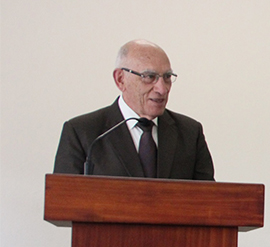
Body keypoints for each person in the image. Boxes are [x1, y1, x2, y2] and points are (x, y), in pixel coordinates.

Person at [53, 40, 214, 180]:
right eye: (149, 77)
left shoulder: (190, 133)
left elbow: (209, 202)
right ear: (121, 79)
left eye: (167, 77)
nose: (162, 89)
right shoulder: (83, 132)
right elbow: (61, 206)